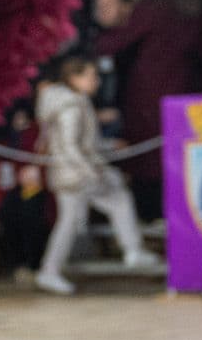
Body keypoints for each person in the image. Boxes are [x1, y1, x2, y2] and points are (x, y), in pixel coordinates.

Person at [94, 0, 202, 219]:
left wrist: (93, 44)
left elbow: (121, 39)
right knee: (176, 158)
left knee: (146, 161)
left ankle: (148, 216)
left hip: (147, 92)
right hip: (184, 89)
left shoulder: (155, 6)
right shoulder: (194, 7)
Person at [33, 55, 154, 294]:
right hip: (76, 175)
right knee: (81, 216)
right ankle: (50, 271)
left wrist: (109, 146)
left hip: (75, 173)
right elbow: (69, 146)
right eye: (90, 76)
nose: (96, 81)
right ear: (74, 78)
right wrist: (90, 171)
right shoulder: (71, 106)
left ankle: (131, 250)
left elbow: (86, 143)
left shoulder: (77, 102)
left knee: (112, 200)